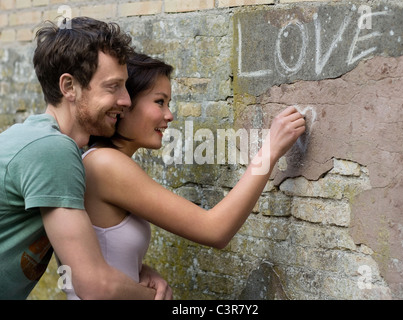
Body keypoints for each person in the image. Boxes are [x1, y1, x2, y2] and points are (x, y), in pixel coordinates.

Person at [63, 52, 305, 298]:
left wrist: (141, 271)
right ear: (125, 103)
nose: (169, 115)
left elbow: (104, 250)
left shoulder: (99, 160)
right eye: (160, 102)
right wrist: (270, 151)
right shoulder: (106, 164)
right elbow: (215, 230)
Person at [0, 17, 171, 300]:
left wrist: (140, 270)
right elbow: (93, 286)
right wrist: (152, 296)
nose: (127, 100)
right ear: (69, 87)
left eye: (125, 86)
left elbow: (76, 249)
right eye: (113, 86)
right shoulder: (52, 150)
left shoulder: (49, 143)